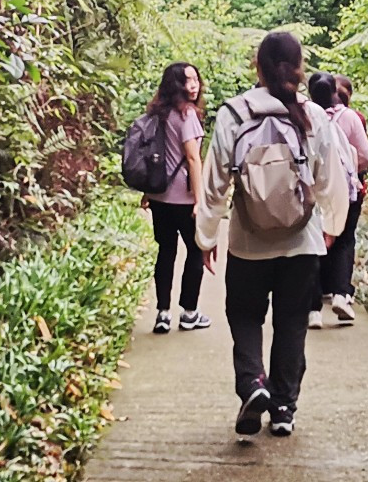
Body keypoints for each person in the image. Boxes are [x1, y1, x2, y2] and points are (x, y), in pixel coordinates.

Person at [197, 31, 349, 439]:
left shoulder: (234, 113)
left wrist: (205, 237)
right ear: (299, 68)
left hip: (248, 243)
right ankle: (283, 408)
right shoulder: (313, 115)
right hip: (302, 242)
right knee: (292, 323)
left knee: (245, 315)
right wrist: (332, 227)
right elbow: (330, 179)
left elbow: (213, 185)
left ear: (258, 66)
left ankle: (253, 384)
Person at [143, 62, 212, 334]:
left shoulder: (157, 114)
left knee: (166, 251)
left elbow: (154, 155)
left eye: (195, 79)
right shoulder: (187, 115)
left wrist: (148, 191)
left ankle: (163, 314)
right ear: (176, 85)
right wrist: (199, 199)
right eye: (187, 81)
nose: (193, 85)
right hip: (184, 198)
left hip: (159, 197)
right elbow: (193, 159)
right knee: (195, 251)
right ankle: (189, 312)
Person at [307, 73, 368, 328]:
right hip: (345, 190)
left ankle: (313, 310)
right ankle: (341, 295)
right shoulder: (350, 117)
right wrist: (351, 169)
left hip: (312, 190)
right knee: (344, 240)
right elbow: (366, 155)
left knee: (313, 243)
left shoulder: (304, 115)